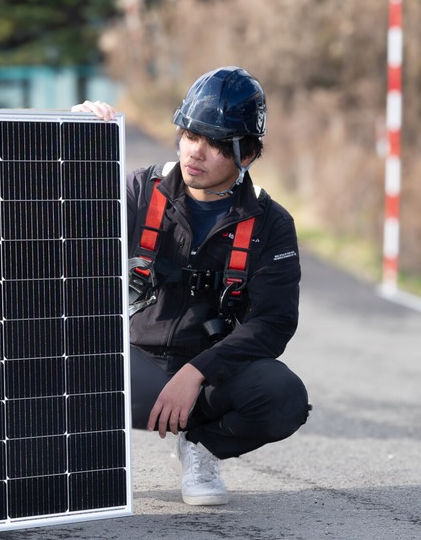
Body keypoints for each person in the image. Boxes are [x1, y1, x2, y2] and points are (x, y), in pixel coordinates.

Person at [74, 66, 309, 505]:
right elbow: (54, 221)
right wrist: (74, 139)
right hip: (128, 369)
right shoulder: (137, 191)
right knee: (42, 366)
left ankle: (200, 446)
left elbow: (274, 322)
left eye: (217, 143)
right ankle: (78, 453)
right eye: (190, 135)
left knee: (283, 398)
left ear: (249, 153)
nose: (196, 152)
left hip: (209, 379)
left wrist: (197, 371)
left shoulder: (271, 224)